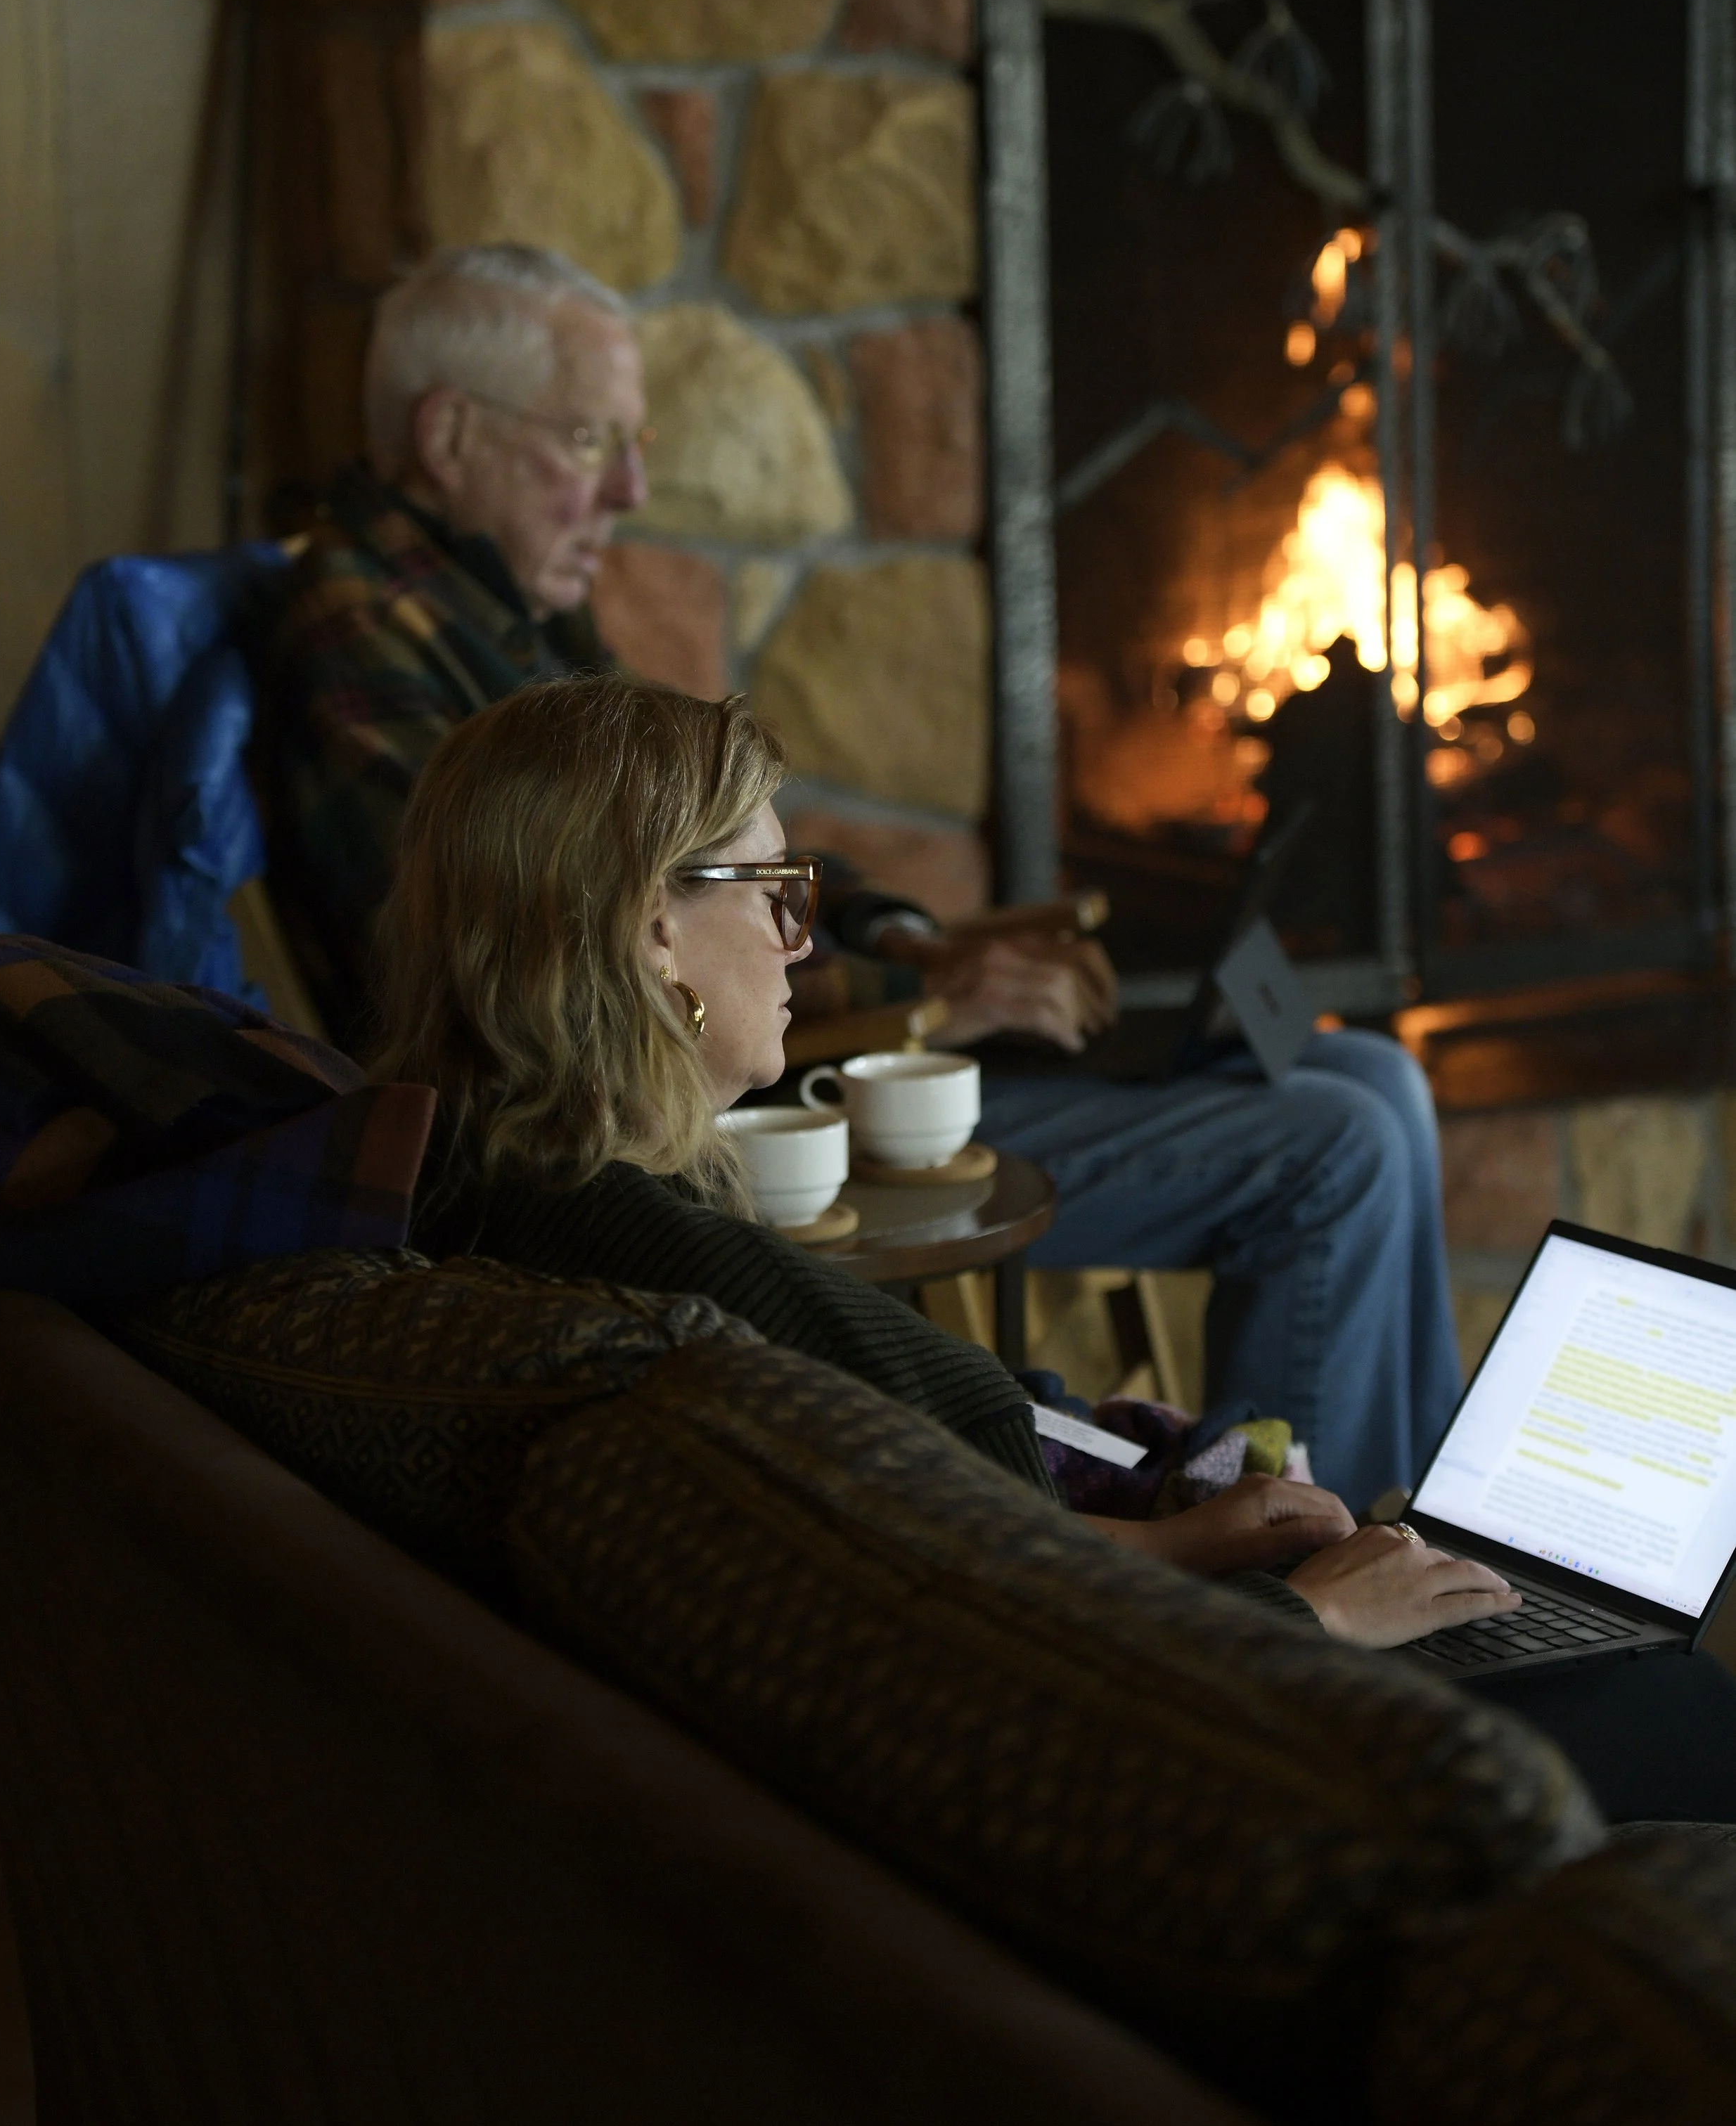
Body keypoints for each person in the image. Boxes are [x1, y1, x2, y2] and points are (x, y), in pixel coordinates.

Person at [372, 676, 1736, 1825]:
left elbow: (924, 1536)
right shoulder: (691, 1295)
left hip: (1154, 1596)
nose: (800, 944)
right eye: (775, 892)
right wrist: (1311, 1619)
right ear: (651, 928)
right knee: (1684, 1706)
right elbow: (978, 1643)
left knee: (1366, 1094)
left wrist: (1190, 1536)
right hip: (1209, 1722)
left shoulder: (496, 1192)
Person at [260, 241, 1457, 1512]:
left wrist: (909, 938)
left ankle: (1428, 1536)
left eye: (632, 441)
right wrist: (924, 1001)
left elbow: (708, 847)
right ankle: (1333, 1546)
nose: (631, 486)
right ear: (449, 434)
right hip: (727, 1095)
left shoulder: (502, 606)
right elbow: (547, 947)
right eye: (587, 437)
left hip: (759, 1041)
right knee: (1340, 1146)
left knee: (1375, 1073)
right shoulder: (365, 646)